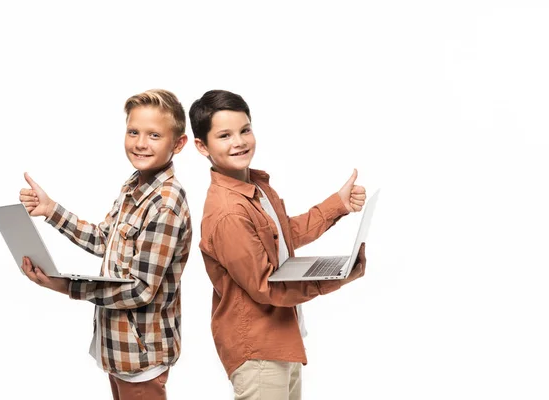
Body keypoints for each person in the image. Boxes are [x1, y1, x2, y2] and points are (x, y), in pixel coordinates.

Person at [189, 89, 367, 400]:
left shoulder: (255, 186)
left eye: (245, 130)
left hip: (283, 337)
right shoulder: (229, 212)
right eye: (225, 136)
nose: (240, 142)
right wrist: (335, 278)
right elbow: (266, 286)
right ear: (202, 146)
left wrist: (336, 205)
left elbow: (283, 237)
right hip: (258, 352)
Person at [18, 89, 192, 400]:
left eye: (154, 134)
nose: (140, 143)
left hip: (142, 355)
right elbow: (104, 239)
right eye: (133, 131)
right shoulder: (133, 185)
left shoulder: (165, 203)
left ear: (178, 144)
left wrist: (66, 286)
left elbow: (141, 289)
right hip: (118, 348)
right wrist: (51, 210)